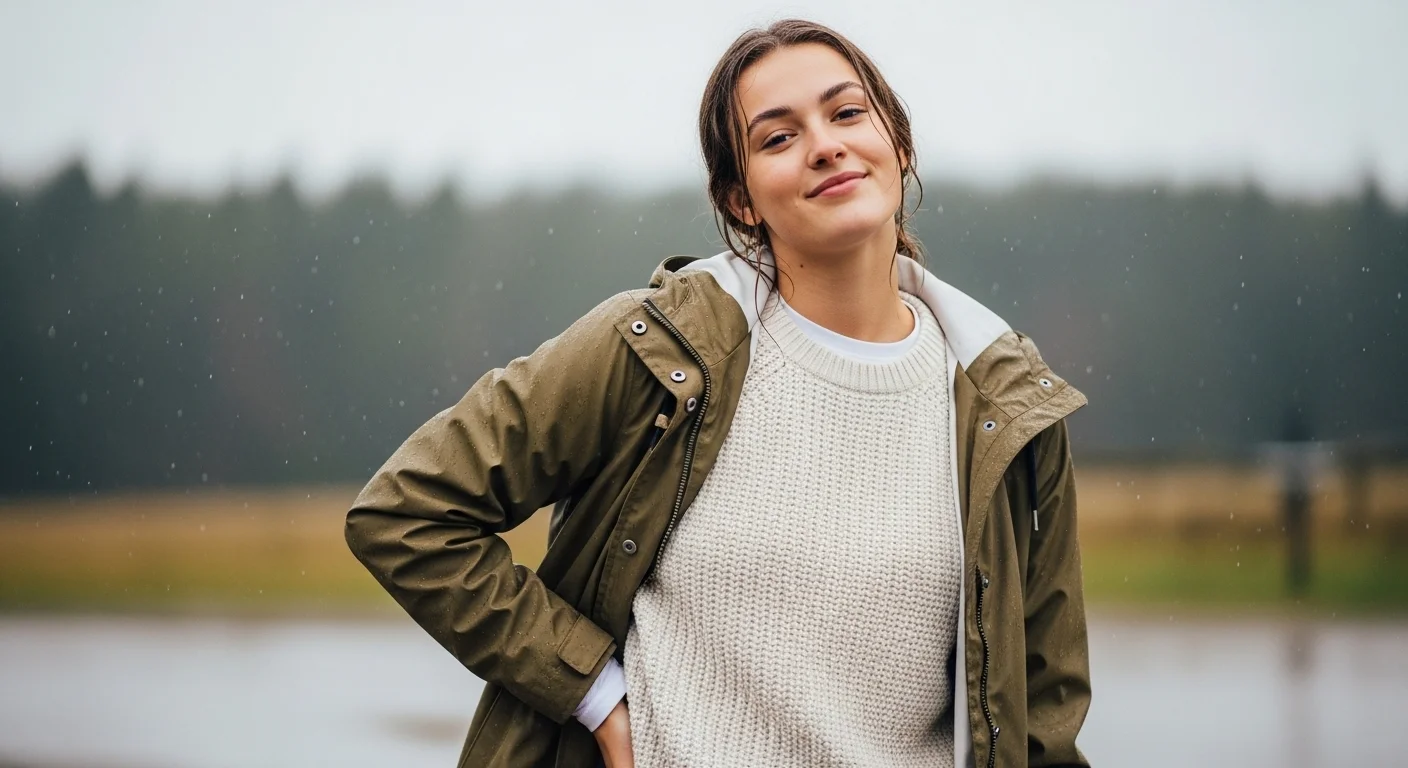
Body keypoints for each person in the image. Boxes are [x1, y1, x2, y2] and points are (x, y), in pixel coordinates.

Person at [346, 18, 1091, 768]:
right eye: (778, 137)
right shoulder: (655, 352)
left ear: (898, 144)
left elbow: (1045, 723)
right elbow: (406, 512)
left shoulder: (1010, 407)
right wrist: (593, 695)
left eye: (846, 113)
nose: (824, 145)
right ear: (741, 201)